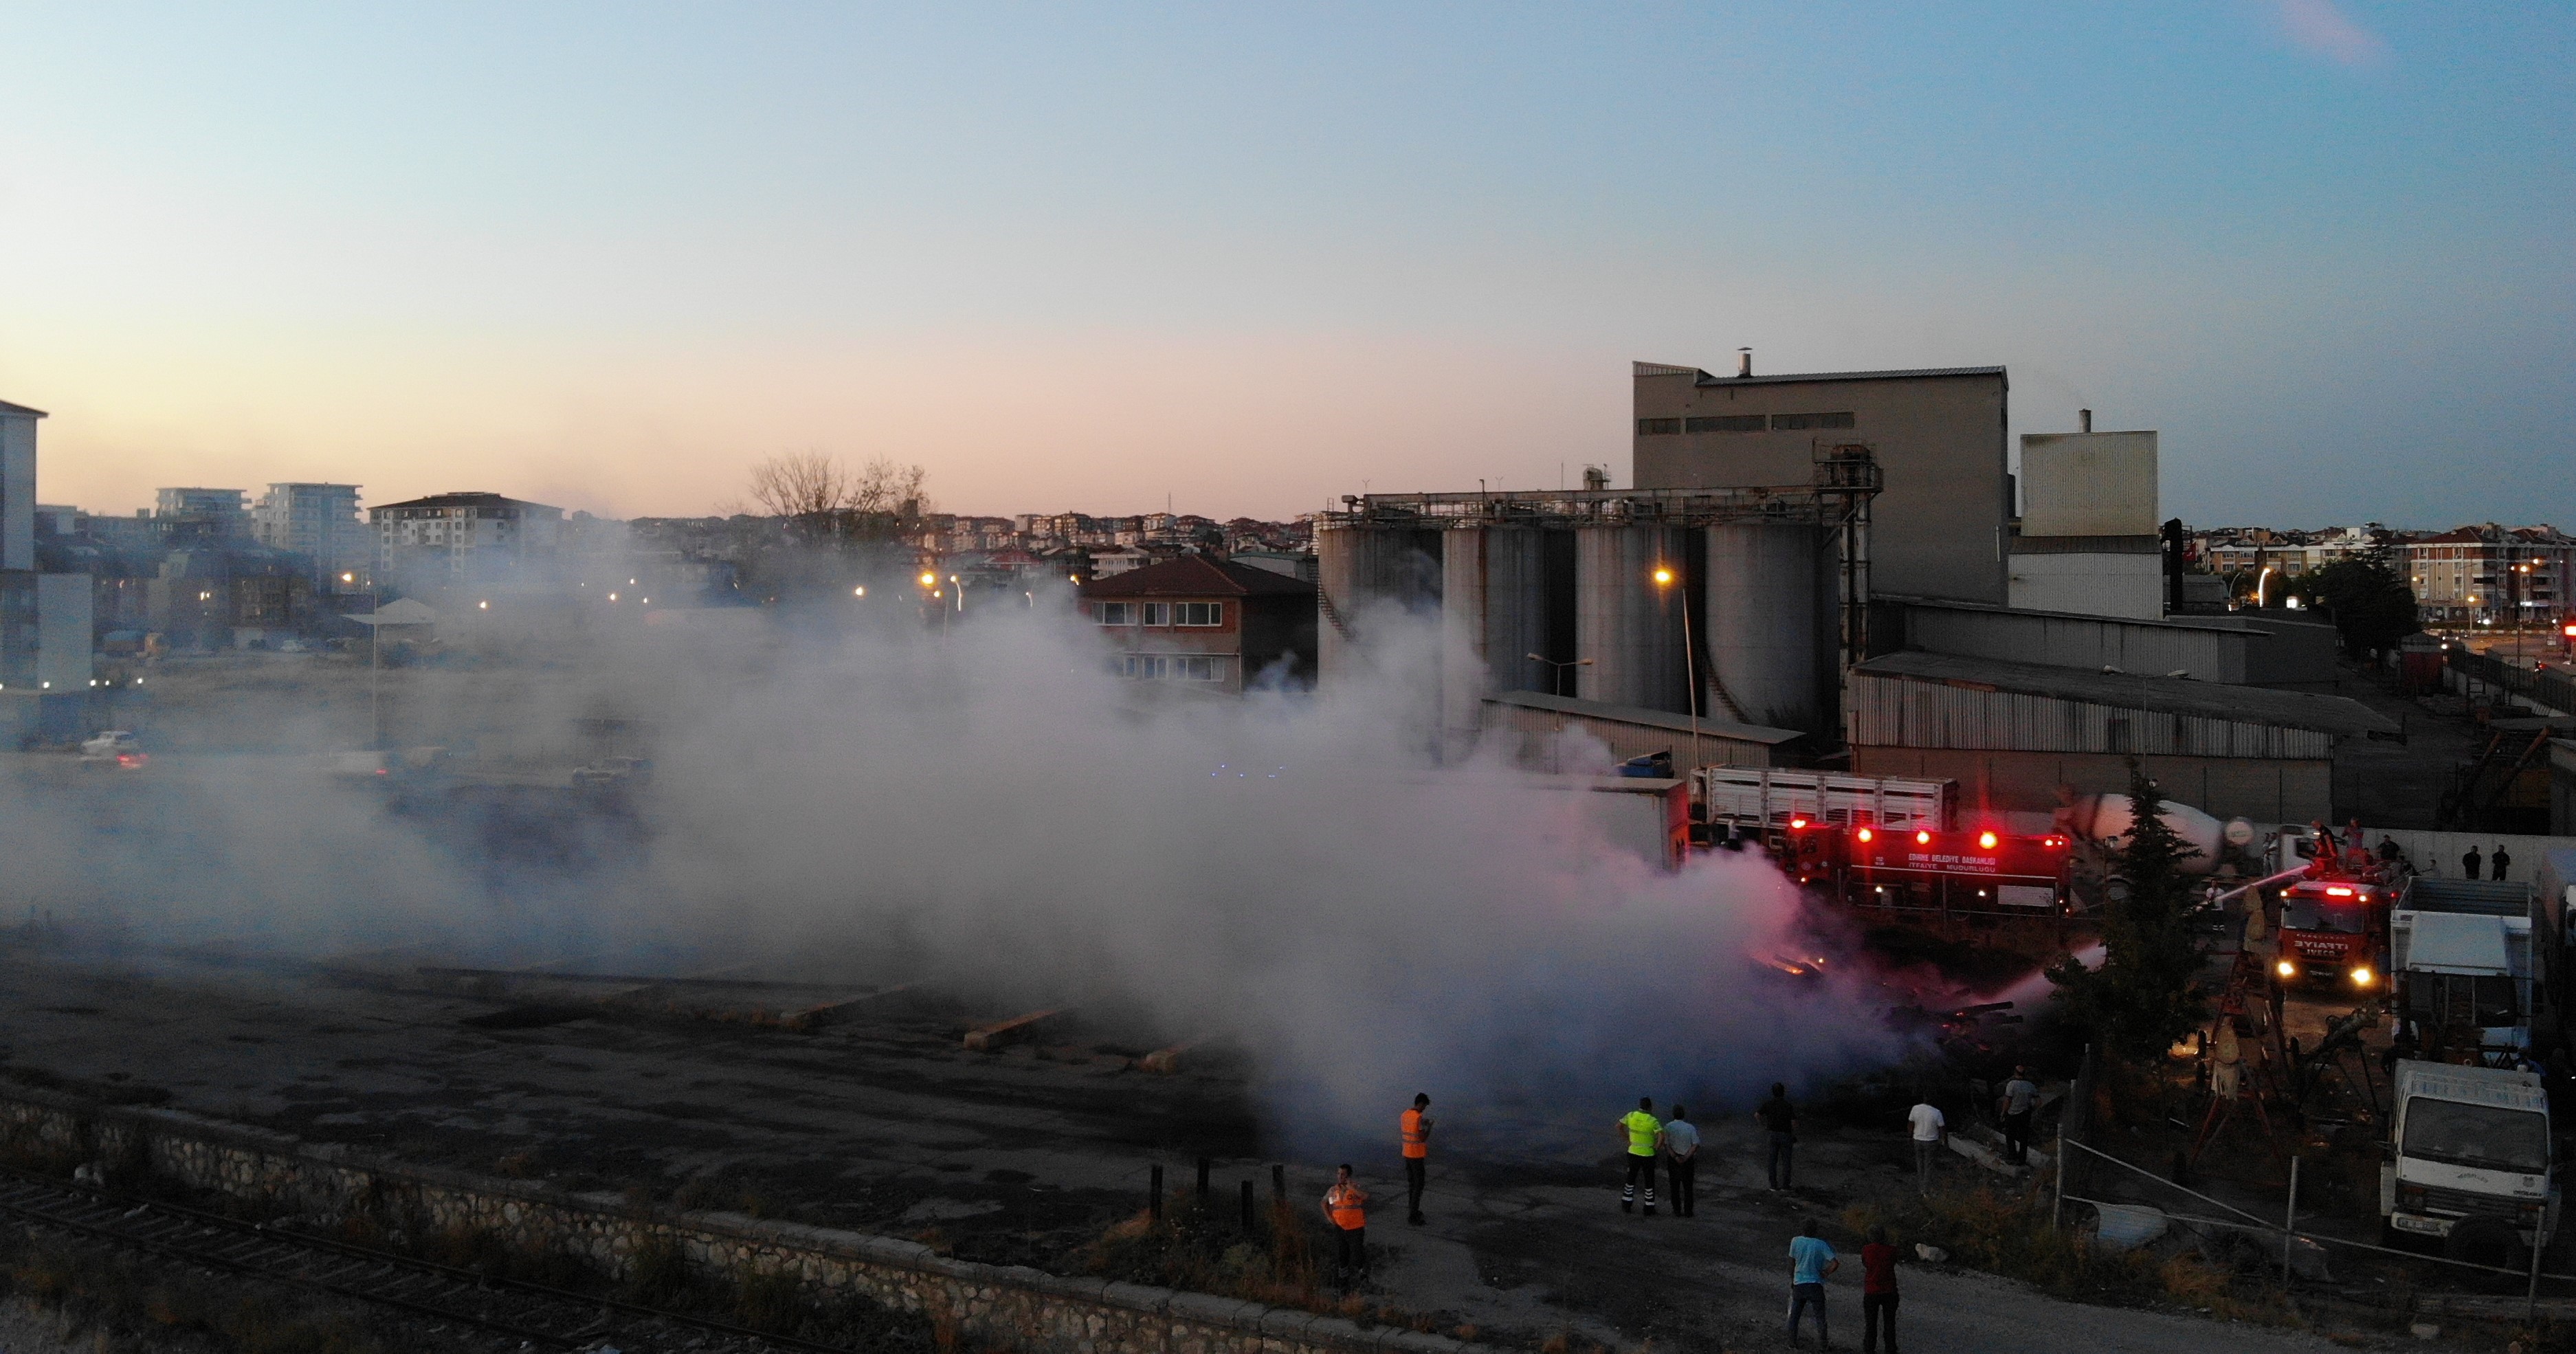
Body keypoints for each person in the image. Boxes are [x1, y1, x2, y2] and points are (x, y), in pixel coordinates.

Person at [1786, 1217, 1839, 1349]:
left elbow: (1791, 1262)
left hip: (1799, 1282)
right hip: (1815, 1283)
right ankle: (1823, 1344)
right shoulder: (1821, 1244)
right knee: (1820, 1316)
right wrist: (1826, 1272)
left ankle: (1792, 1341)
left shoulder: (1796, 1241)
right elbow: (1835, 1263)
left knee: (1795, 1315)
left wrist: (1792, 1278)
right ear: (1816, 1230)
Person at [1322, 1164, 1368, 1287]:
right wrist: (1329, 1217)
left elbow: (1365, 1196)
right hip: (1340, 1228)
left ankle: (1363, 1274)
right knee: (1342, 1255)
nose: (1340, 1177)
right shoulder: (1333, 1190)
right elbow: (1325, 1203)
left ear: (1348, 1176)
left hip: (1355, 1228)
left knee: (1357, 1254)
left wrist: (1350, 1187)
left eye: (1343, 1174)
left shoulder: (1354, 1188)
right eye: (1338, 1174)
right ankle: (1343, 1281)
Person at [1617, 1097, 1662, 1214]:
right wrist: (1657, 1147)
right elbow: (1662, 1135)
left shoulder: (1631, 1115)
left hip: (1633, 1153)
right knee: (1649, 1182)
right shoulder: (1653, 1120)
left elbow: (1618, 1126)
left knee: (1630, 1179)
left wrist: (1627, 1140)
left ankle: (1626, 1205)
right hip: (1648, 1155)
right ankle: (1649, 1207)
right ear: (1650, 1107)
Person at [1861, 1223, 1900, 1354]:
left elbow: (1865, 1264)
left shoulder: (1866, 1250)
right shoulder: (1892, 1250)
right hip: (1889, 1289)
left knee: (1871, 1323)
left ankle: (1869, 1348)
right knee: (1890, 1323)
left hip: (1872, 1290)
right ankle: (1890, 1348)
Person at [1399, 1093, 1432, 1225]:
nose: (1424, 1109)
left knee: (1412, 1184)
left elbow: (1411, 1126)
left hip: (1407, 1153)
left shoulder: (1405, 1114)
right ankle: (1413, 1216)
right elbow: (1422, 1137)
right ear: (1421, 1103)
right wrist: (1429, 1127)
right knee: (1418, 1186)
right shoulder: (1418, 1117)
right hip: (1416, 1155)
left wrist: (1422, 1122)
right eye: (1424, 1106)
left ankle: (1412, 1210)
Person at [1661, 1105, 1699, 1219]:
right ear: (1684, 1115)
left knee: (1674, 1187)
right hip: (1687, 1161)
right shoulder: (1690, 1127)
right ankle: (1688, 1212)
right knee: (1688, 1187)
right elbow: (1695, 1144)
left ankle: (1677, 1210)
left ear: (1673, 1115)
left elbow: (1666, 1145)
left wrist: (1675, 1157)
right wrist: (1686, 1157)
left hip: (1673, 1160)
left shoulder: (1668, 1127)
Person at [1758, 1083, 1797, 1190]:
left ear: (1773, 1092)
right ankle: (1786, 1185)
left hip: (1772, 1135)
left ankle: (1773, 1185)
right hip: (1785, 1135)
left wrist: (1762, 1125)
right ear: (1783, 1092)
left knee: (1772, 1161)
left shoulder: (1768, 1104)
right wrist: (1793, 1133)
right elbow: (1793, 1122)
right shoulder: (1787, 1105)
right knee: (1786, 1161)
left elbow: (1757, 1115)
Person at [1998, 1067, 2039, 1167]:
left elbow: (2007, 1101)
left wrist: (2003, 1112)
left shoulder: (2012, 1084)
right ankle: (2022, 1159)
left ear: (2015, 1073)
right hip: (2025, 1114)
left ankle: (2012, 1156)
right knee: (2023, 1137)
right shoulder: (2030, 1086)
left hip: (2012, 1114)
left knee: (2010, 1135)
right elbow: (2038, 1101)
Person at [1906, 1094, 1946, 1195]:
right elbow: (1942, 1128)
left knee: (1920, 1164)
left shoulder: (1915, 1109)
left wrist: (1910, 1136)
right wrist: (1943, 1140)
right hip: (1931, 1142)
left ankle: (1921, 1187)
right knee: (1928, 1165)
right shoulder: (1937, 1113)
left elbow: (1911, 1124)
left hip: (1917, 1140)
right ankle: (1926, 1190)